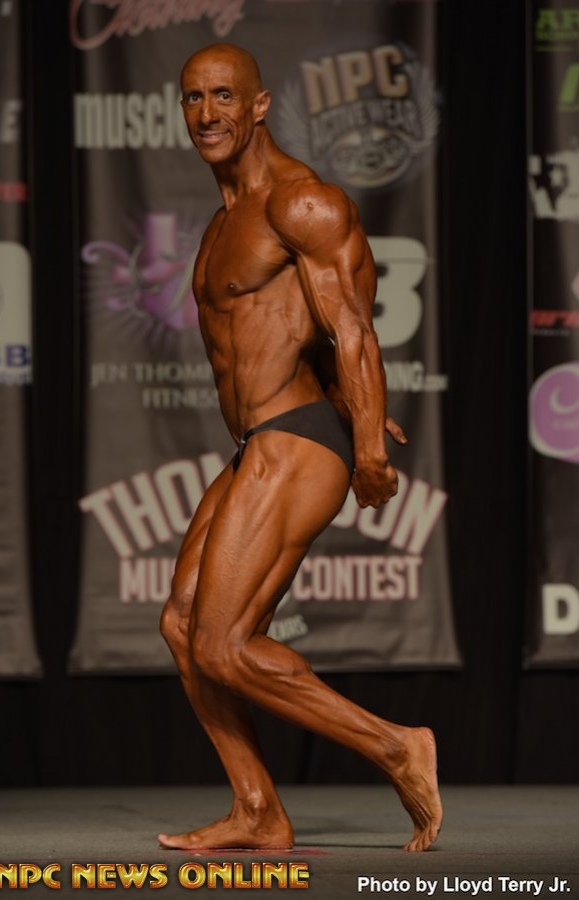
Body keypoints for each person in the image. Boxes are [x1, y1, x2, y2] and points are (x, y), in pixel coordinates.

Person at [159, 43, 442, 853]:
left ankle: (398, 747)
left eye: (223, 96)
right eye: (192, 99)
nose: (206, 113)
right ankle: (258, 809)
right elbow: (300, 334)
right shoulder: (224, 222)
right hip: (262, 440)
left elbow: (351, 328)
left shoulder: (303, 203)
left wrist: (368, 444)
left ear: (258, 106)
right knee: (183, 624)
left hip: (299, 438)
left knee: (224, 643)